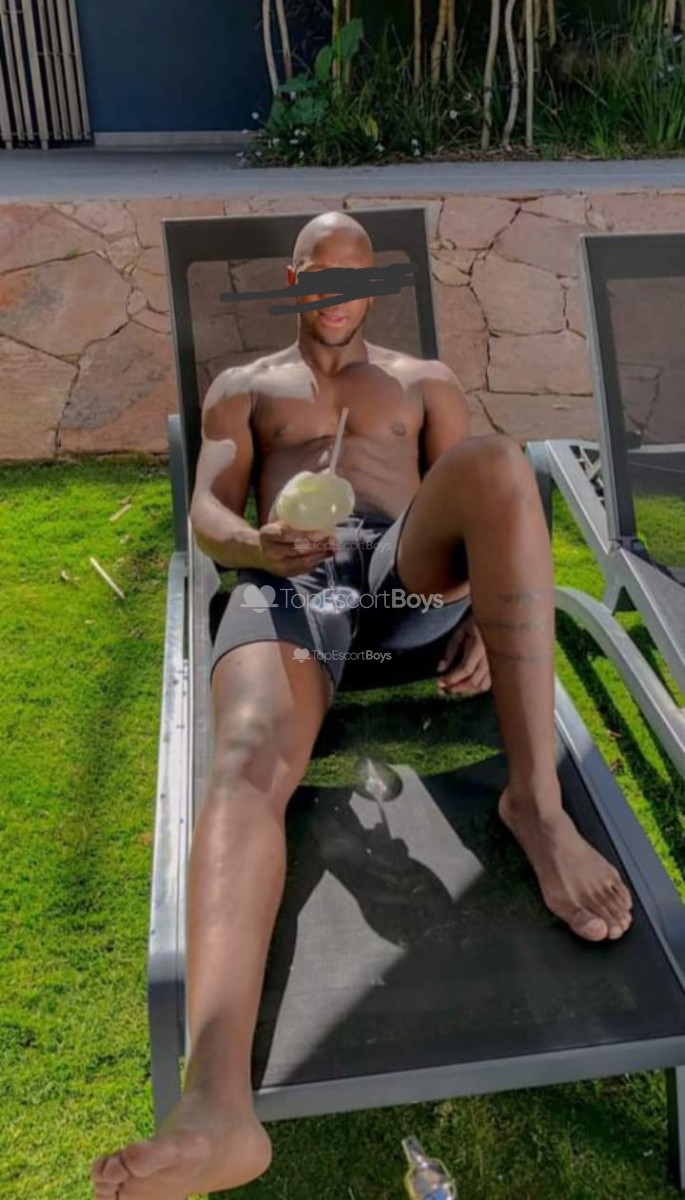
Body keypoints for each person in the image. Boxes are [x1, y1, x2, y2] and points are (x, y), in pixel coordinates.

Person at [91, 211, 633, 1199]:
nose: (333, 296)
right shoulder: (244, 389)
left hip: (402, 577)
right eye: (316, 277)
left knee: (500, 461)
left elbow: (478, 505)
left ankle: (536, 806)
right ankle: (217, 1105)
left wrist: (487, 614)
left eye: (351, 278)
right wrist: (256, 545)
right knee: (245, 763)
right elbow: (207, 511)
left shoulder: (424, 382)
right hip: (287, 582)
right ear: (294, 279)